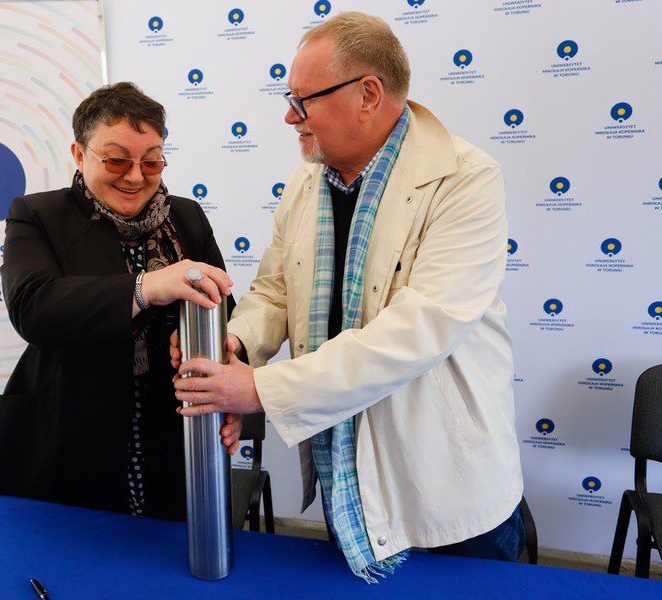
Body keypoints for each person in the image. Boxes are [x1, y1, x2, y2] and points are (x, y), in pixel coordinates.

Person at [172, 12, 524, 580]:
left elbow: (420, 328)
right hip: (347, 480)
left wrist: (259, 389)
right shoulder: (305, 182)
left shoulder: (465, 178)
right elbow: (275, 291)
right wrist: (234, 346)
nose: (290, 115)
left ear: (368, 95)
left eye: (303, 99)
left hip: (446, 492)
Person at [0, 82, 239, 522]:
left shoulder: (187, 217)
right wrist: (146, 288)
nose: (136, 176)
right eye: (117, 159)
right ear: (79, 153)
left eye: (151, 160)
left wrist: (228, 389)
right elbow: (34, 308)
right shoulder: (37, 215)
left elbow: (225, 315)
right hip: (70, 437)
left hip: (173, 441)